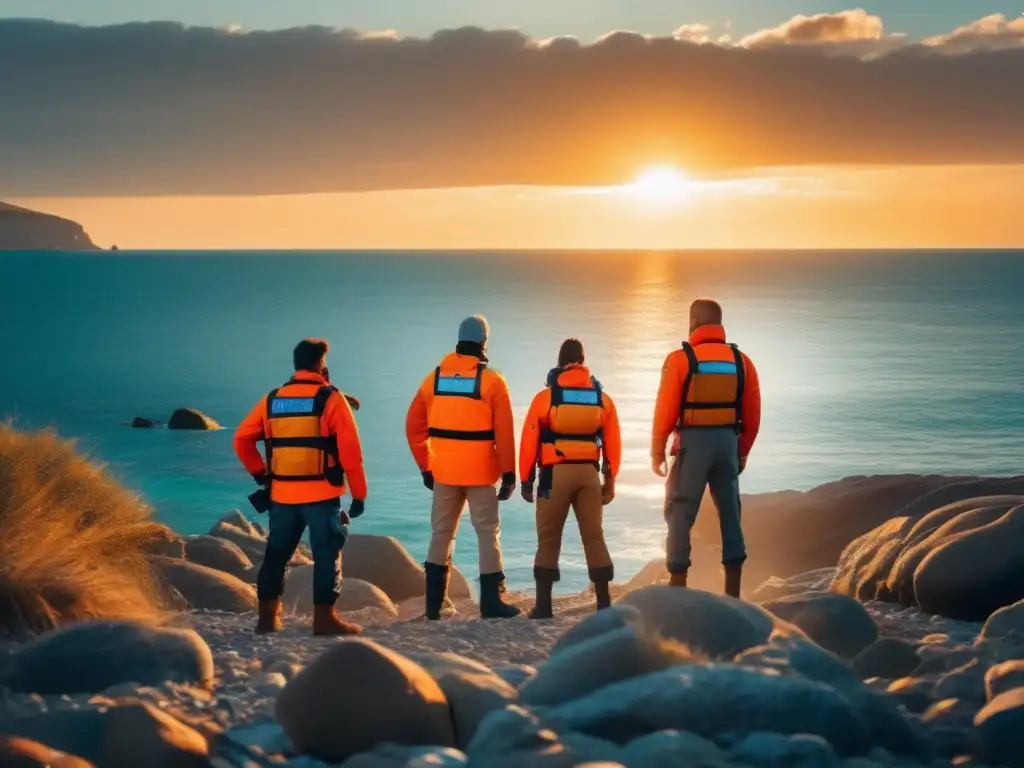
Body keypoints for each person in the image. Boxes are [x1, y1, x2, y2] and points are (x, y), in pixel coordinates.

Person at [233, 338, 368, 635]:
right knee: (327, 553)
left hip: (282, 495)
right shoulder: (331, 399)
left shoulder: (272, 399)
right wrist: (359, 495)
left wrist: (260, 474)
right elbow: (351, 452)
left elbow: (241, 439)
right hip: (322, 494)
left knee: (276, 555)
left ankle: (267, 619)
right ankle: (324, 619)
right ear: (321, 365)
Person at [406, 314, 521, 620]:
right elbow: (505, 435)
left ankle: (433, 608)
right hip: (481, 473)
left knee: (441, 533)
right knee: (487, 533)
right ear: (484, 343)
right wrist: (509, 474)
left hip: (443, 471)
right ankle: (491, 603)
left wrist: (425, 466)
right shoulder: (493, 381)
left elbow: (413, 426)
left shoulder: (434, 378)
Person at [651, 299, 761, 597]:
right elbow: (752, 414)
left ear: (694, 322)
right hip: (728, 443)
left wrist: (657, 450)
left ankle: (677, 587)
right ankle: (733, 593)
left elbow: (665, 409)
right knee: (730, 513)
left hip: (692, 443)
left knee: (680, 509)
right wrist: (743, 450)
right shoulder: (742, 361)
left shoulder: (679, 360)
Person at [519, 338, 621, 618]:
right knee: (594, 537)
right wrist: (610, 480)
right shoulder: (602, 398)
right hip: (588, 474)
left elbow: (529, 438)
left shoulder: (547, 397)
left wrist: (525, 478)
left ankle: (543, 607)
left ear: (560, 362)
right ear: (584, 361)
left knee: (549, 539)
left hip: (555, 475)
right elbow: (613, 443)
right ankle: (604, 604)